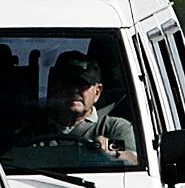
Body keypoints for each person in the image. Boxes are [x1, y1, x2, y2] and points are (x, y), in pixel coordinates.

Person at [10, 53, 138, 165]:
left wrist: (113, 152)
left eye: (82, 85)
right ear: (55, 88)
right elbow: (10, 163)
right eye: (67, 84)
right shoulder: (31, 134)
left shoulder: (114, 128)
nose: (74, 91)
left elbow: (134, 159)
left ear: (97, 92)